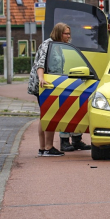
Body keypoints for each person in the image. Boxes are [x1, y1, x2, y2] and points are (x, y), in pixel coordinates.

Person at [27, 23, 70, 157]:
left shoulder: (58, 46)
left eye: (69, 34)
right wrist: (41, 79)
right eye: (66, 34)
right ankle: (48, 147)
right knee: (49, 115)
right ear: (58, 33)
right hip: (45, 85)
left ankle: (42, 148)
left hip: (51, 83)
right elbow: (41, 64)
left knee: (44, 115)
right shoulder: (48, 45)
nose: (69, 36)